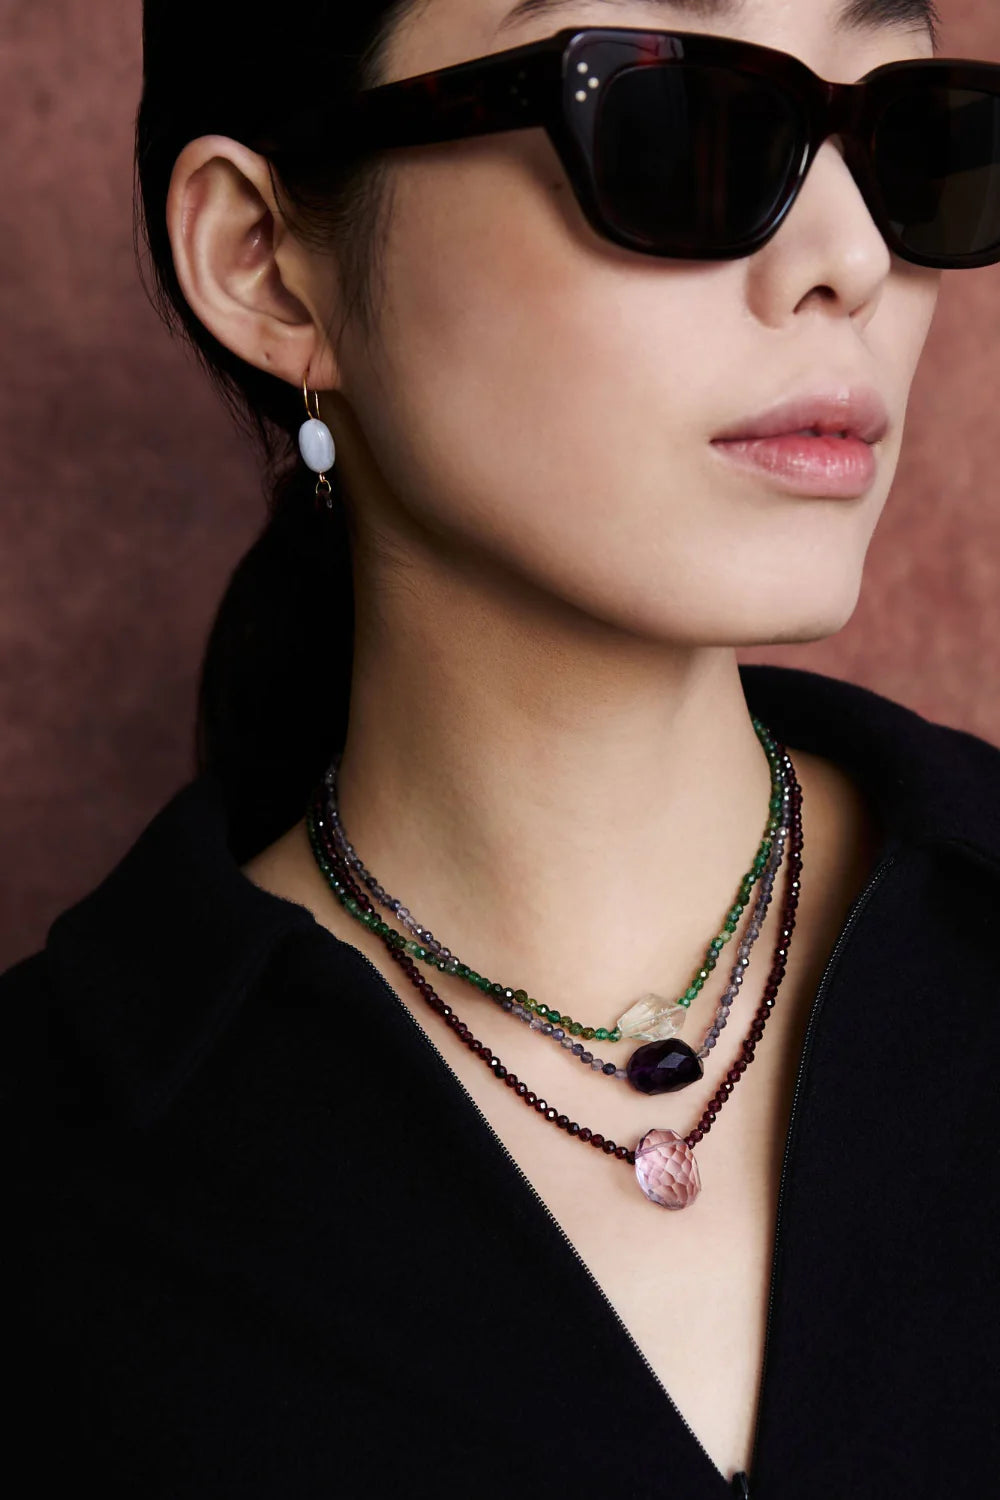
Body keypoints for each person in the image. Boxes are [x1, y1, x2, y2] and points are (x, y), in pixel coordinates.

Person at [4, 0, 1000, 1494]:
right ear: (265, 260)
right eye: (675, 116)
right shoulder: (51, 1187)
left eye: (912, 133)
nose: (852, 257)